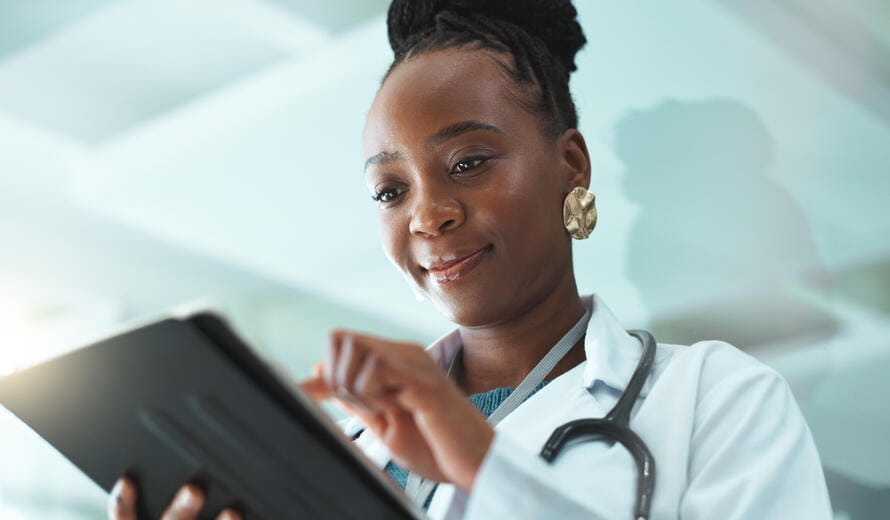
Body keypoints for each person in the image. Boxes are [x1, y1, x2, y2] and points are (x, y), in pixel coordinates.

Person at [107, 0, 833, 518]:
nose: (427, 214)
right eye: (390, 190)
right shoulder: (344, 449)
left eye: (468, 162)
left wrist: (483, 465)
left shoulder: (717, 401)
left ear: (570, 165)